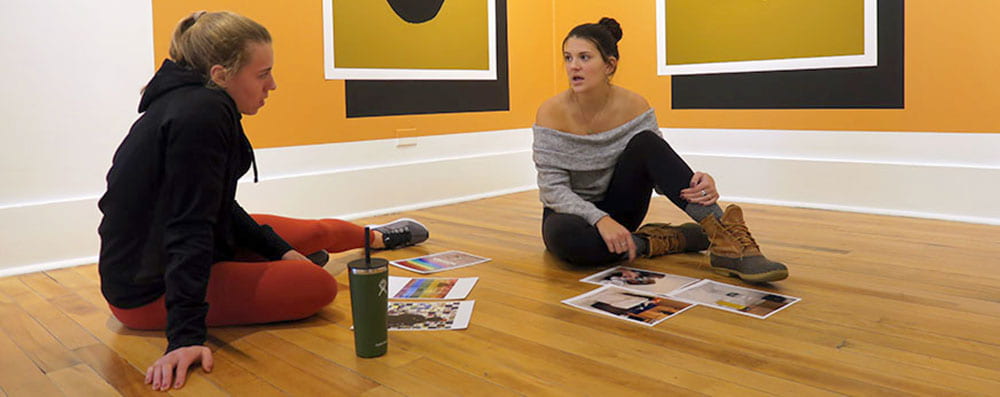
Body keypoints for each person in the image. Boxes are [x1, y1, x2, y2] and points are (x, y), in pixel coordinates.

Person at [97, 11, 428, 391]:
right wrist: (185, 337)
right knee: (317, 285)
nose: (273, 84)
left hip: (191, 243)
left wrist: (278, 249)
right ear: (221, 74)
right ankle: (279, 265)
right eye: (262, 74)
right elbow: (187, 228)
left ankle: (377, 239)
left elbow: (215, 204)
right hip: (147, 290)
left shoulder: (196, 100)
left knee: (312, 231)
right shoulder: (200, 114)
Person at [532, 17, 788, 283]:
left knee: (647, 142)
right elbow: (553, 189)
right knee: (570, 242)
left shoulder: (635, 106)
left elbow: (657, 169)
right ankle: (662, 240)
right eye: (568, 58)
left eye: (584, 57)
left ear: (609, 65)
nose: (574, 66)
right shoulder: (550, 113)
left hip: (622, 207)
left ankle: (728, 241)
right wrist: (599, 219)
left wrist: (697, 185)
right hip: (575, 215)